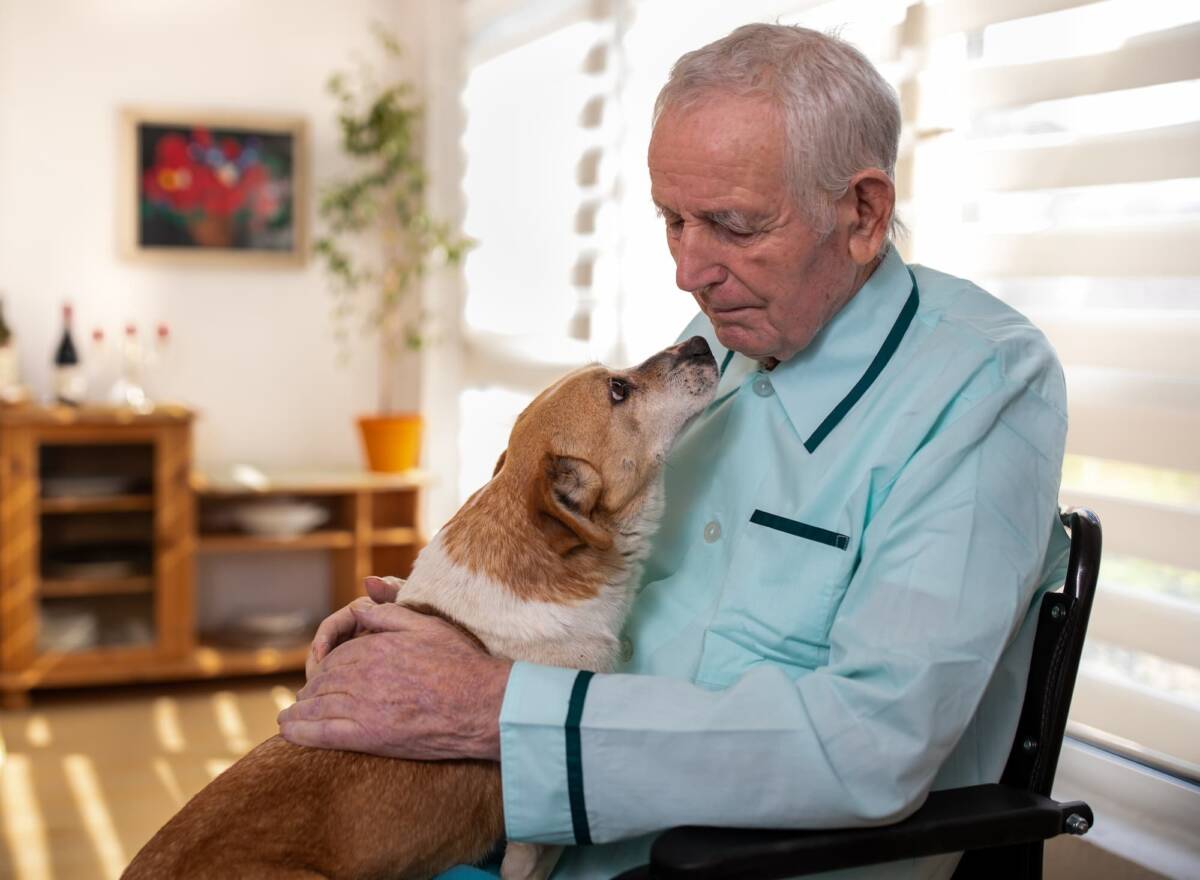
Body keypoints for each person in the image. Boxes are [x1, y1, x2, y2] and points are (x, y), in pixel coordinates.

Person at [279, 23, 1070, 880]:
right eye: (673, 220)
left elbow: (869, 745)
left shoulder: (984, 383)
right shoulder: (727, 333)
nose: (690, 271)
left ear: (864, 213)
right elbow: (620, 582)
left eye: (732, 225)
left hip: (709, 861)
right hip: (552, 829)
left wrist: (492, 706)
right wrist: (446, 626)